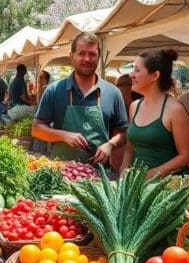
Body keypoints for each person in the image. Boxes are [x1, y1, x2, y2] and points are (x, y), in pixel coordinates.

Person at [32, 31, 127, 164]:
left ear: (99, 57)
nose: (87, 59)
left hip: (100, 177)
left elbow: (122, 133)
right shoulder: (54, 90)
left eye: (92, 54)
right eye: (81, 53)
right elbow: (36, 129)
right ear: (72, 56)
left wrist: (110, 145)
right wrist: (64, 135)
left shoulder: (113, 93)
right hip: (62, 174)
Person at [120, 49, 189, 178]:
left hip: (166, 189)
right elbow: (129, 148)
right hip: (136, 186)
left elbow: (186, 156)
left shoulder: (175, 110)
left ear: (155, 76)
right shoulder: (134, 106)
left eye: (137, 70)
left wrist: (154, 173)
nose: (131, 75)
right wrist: (123, 170)